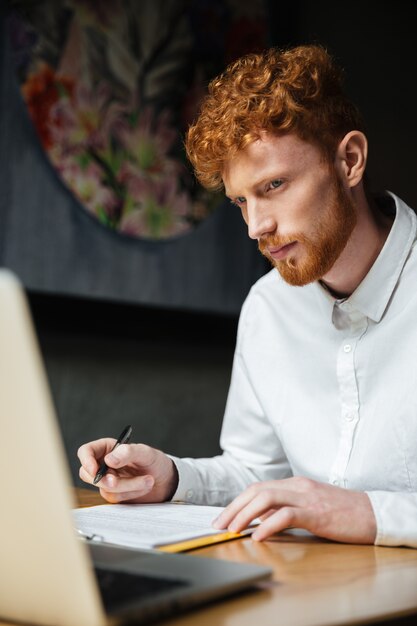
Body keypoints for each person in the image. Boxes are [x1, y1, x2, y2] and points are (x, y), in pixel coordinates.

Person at [78, 44, 417, 548]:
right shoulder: (267, 306)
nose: (257, 227)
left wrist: (367, 512)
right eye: (241, 201)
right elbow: (257, 473)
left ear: (349, 160)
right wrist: (170, 478)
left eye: (275, 184)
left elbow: (332, 505)